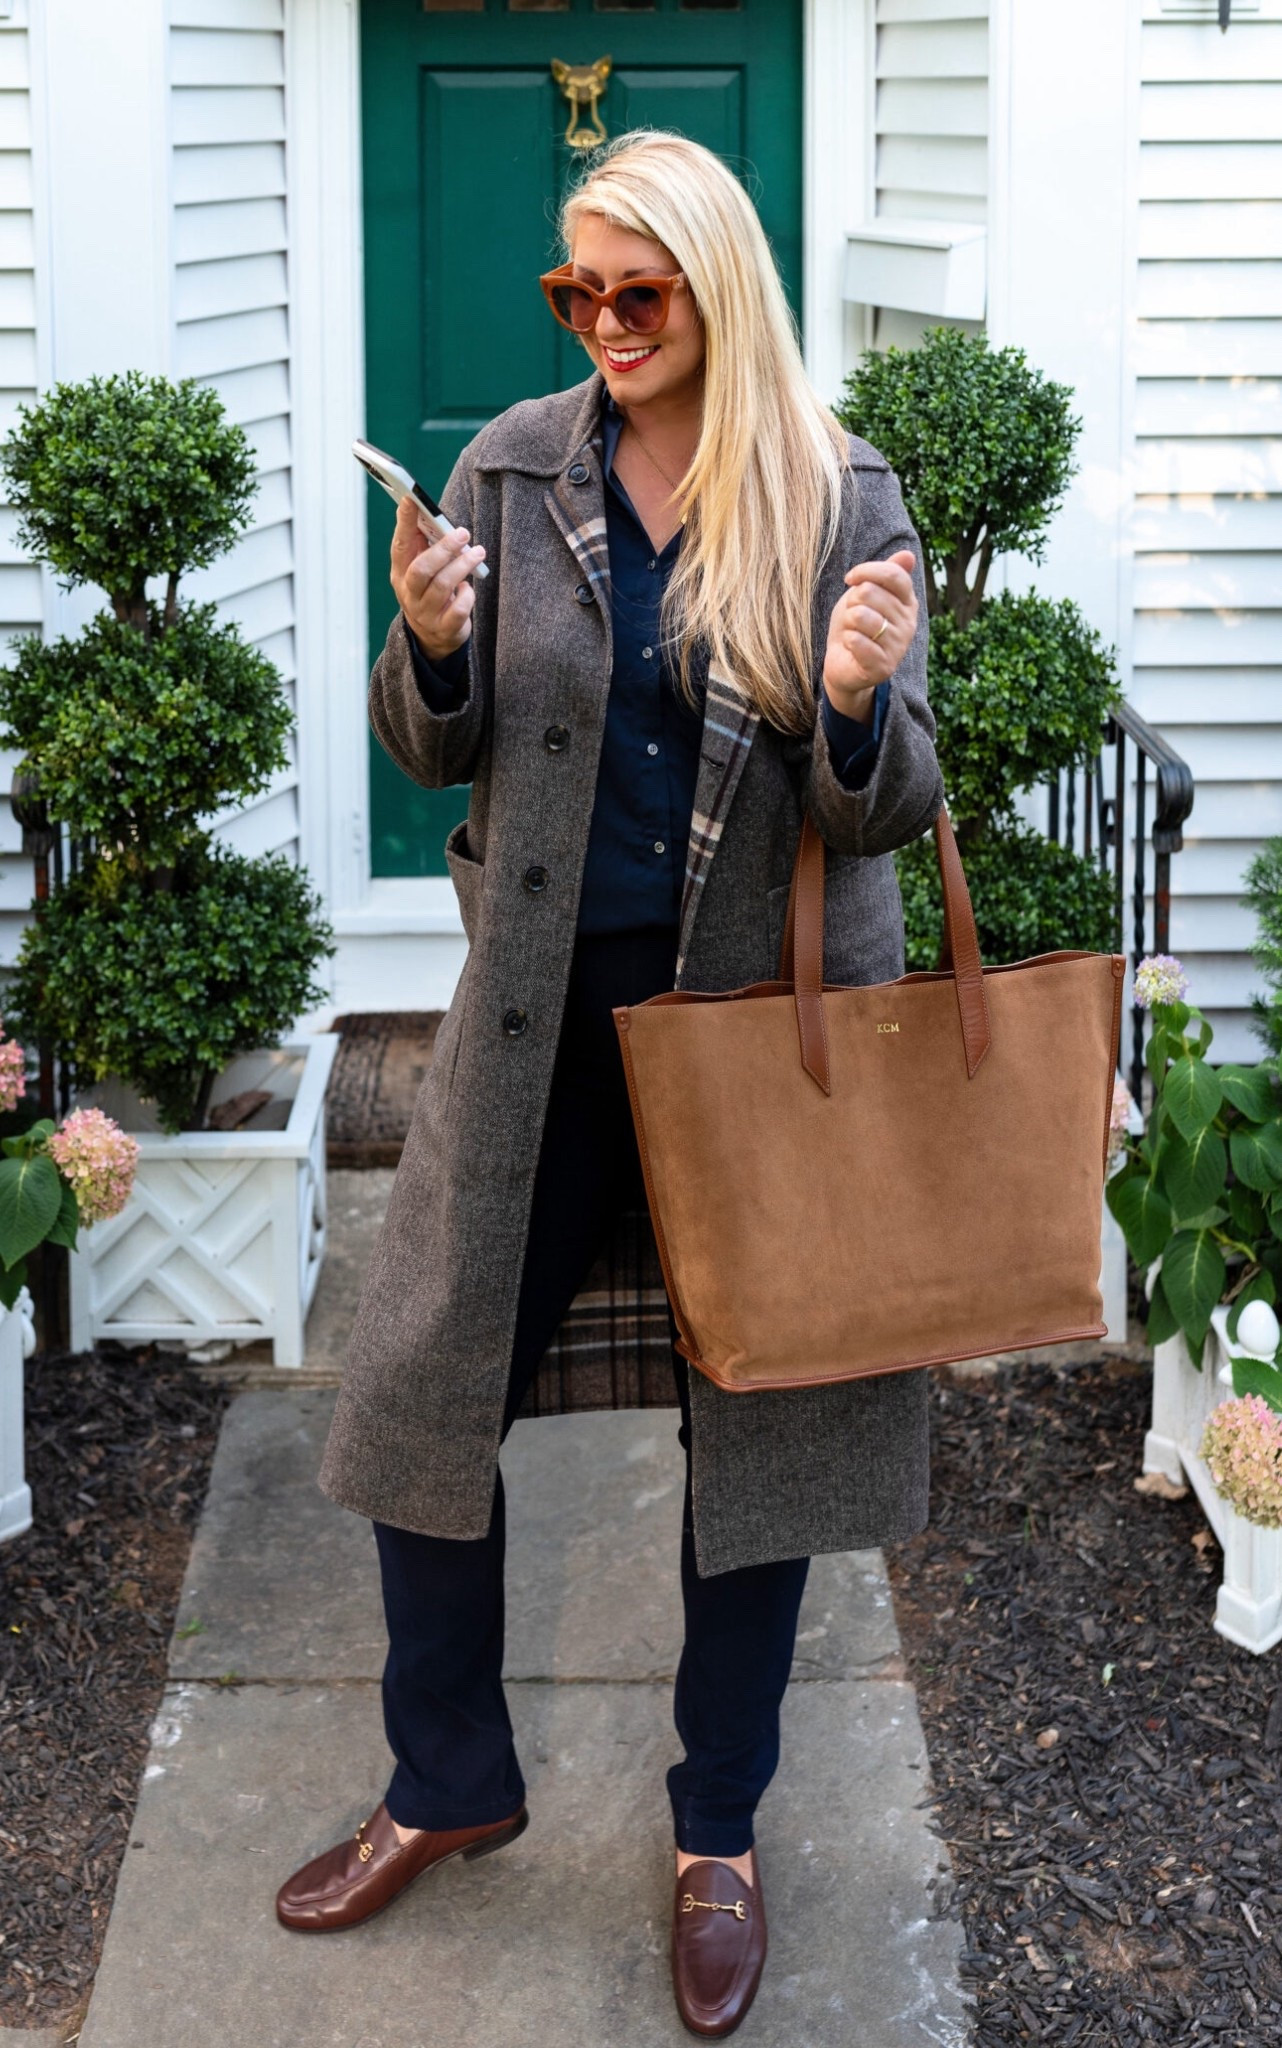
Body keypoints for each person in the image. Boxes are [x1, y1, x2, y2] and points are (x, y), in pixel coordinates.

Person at [281, 131, 945, 2038]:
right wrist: (428, 649)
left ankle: (715, 1827)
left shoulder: (837, 491)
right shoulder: (511, 458)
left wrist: (848, 693)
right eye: (574, 291)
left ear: (716, 286)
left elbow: (889, 803)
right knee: (417, 1392)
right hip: (541, 1031)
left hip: (764, 1045)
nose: (600, 324)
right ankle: (448, 1777)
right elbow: (438, 750)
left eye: (633, 293)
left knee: (759, 1442)